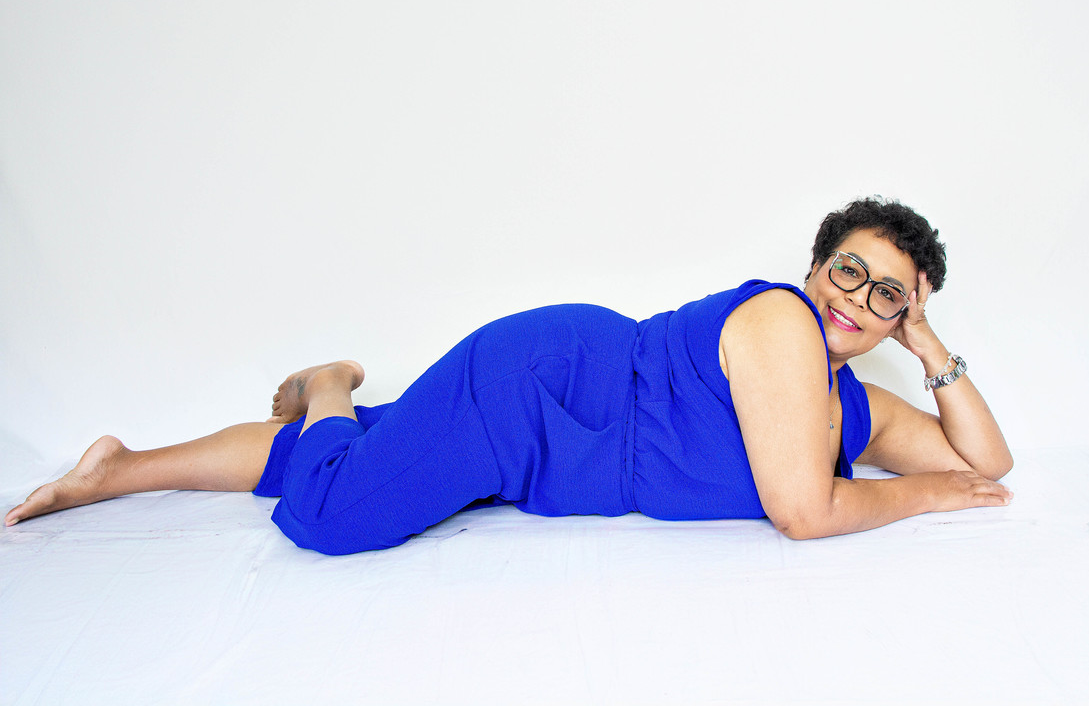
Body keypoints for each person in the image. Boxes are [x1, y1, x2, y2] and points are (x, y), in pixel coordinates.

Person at [4, 197, 1013, 554]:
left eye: (889, 295)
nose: (858, 299)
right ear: (816, 266)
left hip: (553, 438)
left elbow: (986, 459)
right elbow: (804, 510)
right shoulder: (782, 322)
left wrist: (932, 350)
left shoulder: (853, 403)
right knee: (334, 517)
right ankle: (329, 384)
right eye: (849, 270)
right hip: (546, 392)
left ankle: (118, 469)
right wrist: (920, 497)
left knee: (358, 458)